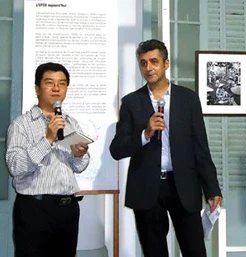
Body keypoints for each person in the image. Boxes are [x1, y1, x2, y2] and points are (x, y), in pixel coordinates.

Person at [109, 39, 222, 257]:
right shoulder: (131, 102)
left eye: (154, 61)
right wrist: (145, 133)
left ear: (166, 63)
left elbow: (201, 146)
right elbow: (117, 149)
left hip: (184, 186)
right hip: (147, 188)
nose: (149, 68)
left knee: (195, 250)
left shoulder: (188, 99)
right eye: (143, 63)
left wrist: (212, 188)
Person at [5, 62, 90, 257]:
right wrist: (48, 139)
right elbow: (15, 166)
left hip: (68, 210)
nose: (56, 88)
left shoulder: (71, 123)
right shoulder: (21, 125)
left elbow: (79, 167)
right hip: (35, 210)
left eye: (62, 83)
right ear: (37, 88)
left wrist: (80, 155)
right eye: (49, 82)